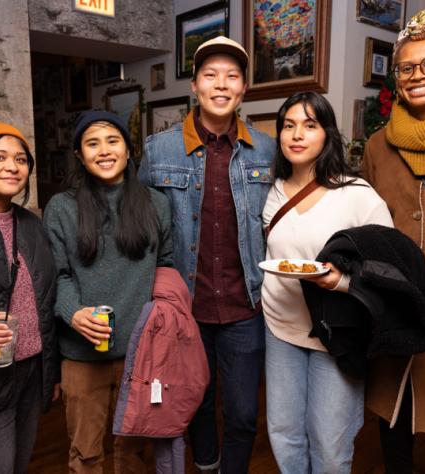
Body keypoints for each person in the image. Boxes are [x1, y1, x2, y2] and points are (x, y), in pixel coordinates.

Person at [138, 36, 277, 474]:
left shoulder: (268, 150)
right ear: (194, 86)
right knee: (195, 402)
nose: (221, 84)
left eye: (232, 76)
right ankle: (207, 466)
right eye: (210, 75)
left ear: (243, 89)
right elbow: (142, 228)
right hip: (185, 308)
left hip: (245, 307)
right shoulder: (158, 150)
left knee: (241, 413)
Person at [262, 91, 393, 473]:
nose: (297, 135)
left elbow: (387, 268)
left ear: (327, 134)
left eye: (310, 125)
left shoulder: (356, 195)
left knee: (331, 444)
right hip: (280, 328)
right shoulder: (271, 190)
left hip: (336, 334)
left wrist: (339, 282)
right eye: (288, 126)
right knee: (284, 433)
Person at [43, 110, 173, 473]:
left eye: (113, 140)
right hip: (83, 356)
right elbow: (58, 275)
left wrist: (160, 331)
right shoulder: (61, 208)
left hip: (141, 354)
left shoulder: (156, 204)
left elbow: (167, 266)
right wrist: (73, 313)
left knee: (133, 453)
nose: (104, 150)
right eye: (92, 143)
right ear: (79, 155)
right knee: (85, 453)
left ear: (129, 150)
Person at [362, 9, 425, 473]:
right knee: (396, 420)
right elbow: (366, 223)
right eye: (408, 68)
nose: (418, 76)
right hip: (397, 301)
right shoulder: (376, 145)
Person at [0, 121, 59, 474]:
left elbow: (46, 300)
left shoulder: (32, 224)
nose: (12, 166)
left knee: (18, 464)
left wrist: (52, 372)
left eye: (21, 159)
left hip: (31, 374)